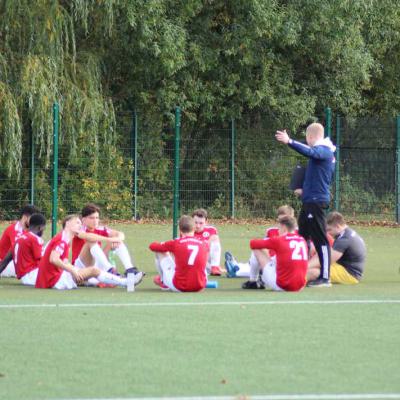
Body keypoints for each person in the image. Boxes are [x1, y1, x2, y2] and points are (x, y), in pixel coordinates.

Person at [275, 122, 336, 287]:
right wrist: (303, 189)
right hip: (310, 200)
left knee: (320, 239)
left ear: (310, 137)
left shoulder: (323, 149)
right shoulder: (322, 153)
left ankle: (325, 277)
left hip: (316, 202)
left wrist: (290, 141)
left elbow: (310, 152)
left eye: (307, 139)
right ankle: (298, 270)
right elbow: (318, 176)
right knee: (302, 236)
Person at [35, 215, 135, 290]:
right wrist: (73, 271)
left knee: (92, 272)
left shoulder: (64, 238)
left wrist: (72, 269)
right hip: (53, 280)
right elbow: (53, 259)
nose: (80, 225)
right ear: (68, 223)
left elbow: (64, 260)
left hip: (51, 278)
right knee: (93, 271)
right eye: (77, 222)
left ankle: (122, 279)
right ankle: (125, 282)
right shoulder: (62, 239)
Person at [71, 203, 143, 285]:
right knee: (91, 242)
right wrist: (109, 239)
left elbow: (120, 234)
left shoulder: (100, 228)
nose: (95, 221)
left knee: (116, 240)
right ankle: (109, 270)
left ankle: (130, 269)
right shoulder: (79, 229)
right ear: (83, 220)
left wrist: (116, 239)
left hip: (96, 265)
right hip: (80, 267)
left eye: (97, 218)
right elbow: (88, 236)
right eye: (91, 218)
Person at [224, 205, 296, 279]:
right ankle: (237, 266)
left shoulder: (297, 233)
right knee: (256, 259)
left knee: (260, 264)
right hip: (273, 260)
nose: (281, 223)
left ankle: (237, 271)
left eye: (284, 221)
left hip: (282, 264)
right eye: (280, 220)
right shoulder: (272, 231)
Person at [241, 215, 308, 292]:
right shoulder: (302, 240)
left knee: (256, 249)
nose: (278, 231)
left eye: (279, 228)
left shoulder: (279, 240)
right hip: (300, 286)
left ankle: (253, 281)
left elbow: (253, 243)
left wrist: (267, 250)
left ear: (284, 227)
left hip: (283, 286)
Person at [149, 215, 209, 292]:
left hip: (179, 286)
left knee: (159, 251)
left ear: (180, 230)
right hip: (200, 286)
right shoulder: (204, 243)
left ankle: (163, 282)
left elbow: (152, 246)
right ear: (194, 229)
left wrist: (164, 245)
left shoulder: (176, 243)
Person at [307, 211, 366, 284]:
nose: (328, 233)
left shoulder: (344, 239)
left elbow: (327, 260)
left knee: (312, 272)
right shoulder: (347, 233)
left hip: (350, 274)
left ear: (337, 226)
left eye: (329, 230)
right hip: (342, 266)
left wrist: (304, 268)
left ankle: (292, 280)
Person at [0, 213, 46, 286]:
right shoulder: (35, 239)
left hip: (24, 278)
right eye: (44, 228)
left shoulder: (19, 239)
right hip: (33, 275)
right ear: (40, 228)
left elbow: (4, 262)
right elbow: (42, 260)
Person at [0, 204, 40, 277]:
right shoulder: (14, 229)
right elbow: (16, 254)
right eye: (33, 219)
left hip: (15, 263)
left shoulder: (30, 231)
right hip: (6, 264)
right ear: (25, 217)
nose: (34, 222)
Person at [192, 208, 222, 276]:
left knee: (215, 238)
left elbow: (213, 247)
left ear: (206, 222)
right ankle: (211, 268)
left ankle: (214, 267)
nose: (198, 226)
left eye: (201, 223)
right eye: (195, 222)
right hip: (194, 261)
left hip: (207, 258)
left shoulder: (212, 230)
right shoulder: (187, 231)